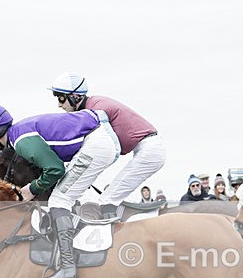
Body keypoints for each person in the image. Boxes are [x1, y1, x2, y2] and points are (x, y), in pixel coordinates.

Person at [0, 103, 120, 278]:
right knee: (64, 193)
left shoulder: (20, 141)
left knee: (59, 201)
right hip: (99, 138)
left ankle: (68, 266)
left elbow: (55, 169)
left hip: (96, 143)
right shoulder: (19, 135)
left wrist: (32, 189)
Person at [50, 71, 166, 218]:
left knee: (108, 200)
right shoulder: (93, 105)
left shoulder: (94, 110)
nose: (59, 105)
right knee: (108, 197)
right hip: (148, 146)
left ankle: (113, 229)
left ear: (75, 96)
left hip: (150, 148)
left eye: (61, 98)